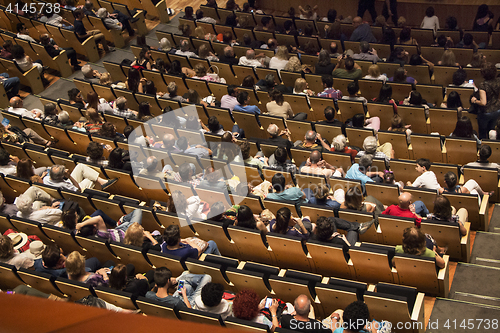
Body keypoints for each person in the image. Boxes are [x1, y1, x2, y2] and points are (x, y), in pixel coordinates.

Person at [471, 63, 500, 139]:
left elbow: (483, 102)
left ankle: (483, 146)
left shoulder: (483, 85)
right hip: (497, 110)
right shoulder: (498, 81)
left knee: (483, 133)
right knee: (492, 131)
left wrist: (475, 101)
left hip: (486, 113)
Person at [43, 164, 117, 192]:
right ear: (62, 177)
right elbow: (78, 190)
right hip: (74, 188)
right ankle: (102, 187)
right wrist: (69, 177)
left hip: (66, 182)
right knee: (90, 180)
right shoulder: (63, 185)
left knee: (80, 166)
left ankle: (102, 181)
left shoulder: (45, 179)